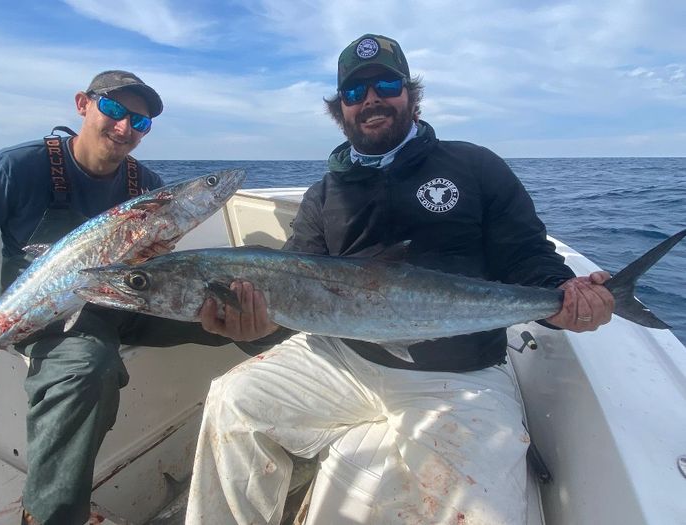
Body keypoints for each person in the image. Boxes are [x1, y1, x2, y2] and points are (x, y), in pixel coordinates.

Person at [185, 34, 615, 524]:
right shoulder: (322, 195)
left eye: (385, 84)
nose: (370, 98)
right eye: (354, 92)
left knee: (478, 513)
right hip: (343, 356)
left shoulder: (475, 166)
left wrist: (567, 297)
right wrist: (255, 330)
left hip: (459, 372)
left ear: (410, 95)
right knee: (232, 400)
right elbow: (293, 293)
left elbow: (527, 256)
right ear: (340, 109)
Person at [0, 70, 229, 525]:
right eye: (115, 111)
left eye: (140, 123)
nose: (125, 129)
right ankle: (46, 514)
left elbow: (150, 269)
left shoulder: (148, 184)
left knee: (234, 308)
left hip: (131, 297)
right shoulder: (17, 168)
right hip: (49, 316)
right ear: (83, 104)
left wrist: (150, 257)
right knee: (88, 366)